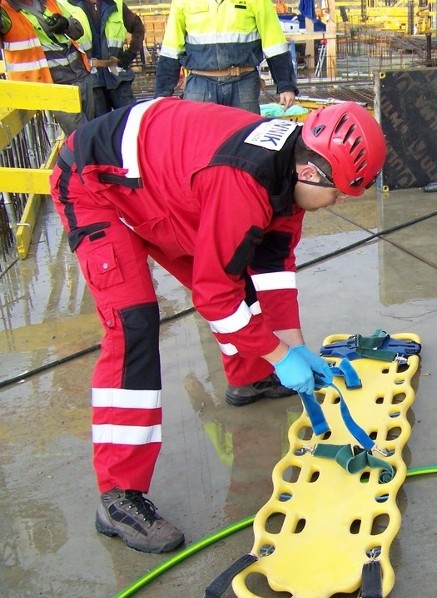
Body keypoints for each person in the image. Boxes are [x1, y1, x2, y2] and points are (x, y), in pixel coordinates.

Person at [49, 98, 387, 553]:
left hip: (160, 186)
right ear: (311, 172)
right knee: (134, 327)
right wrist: (281, 355)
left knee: (237, 273)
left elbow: (273, 269)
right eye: (339, 193)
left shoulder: (289, 167)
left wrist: (294, 348)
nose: (338, 202)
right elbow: (213, 296)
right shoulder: (242, 182)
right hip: (97, 186)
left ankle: (248, 378)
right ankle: (118, 496)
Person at [153, 0, 297, 114]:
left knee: (244, 141)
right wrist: (162, 95)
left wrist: (286, 85)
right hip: (200, 84)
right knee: (200, 143)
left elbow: (274, 43)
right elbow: (171, 49)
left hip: (243, 83)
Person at [0, 0, 94, 134]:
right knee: (84, 137)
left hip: (82, 76)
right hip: (55, 87)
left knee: (90, 132)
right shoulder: (4, 11)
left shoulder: (49, 2)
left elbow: (78, 30)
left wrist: (66, 24)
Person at [65, 0, 144, 117]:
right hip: (90, 79)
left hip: (117, 76)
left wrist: (130, 53)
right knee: (99, 128)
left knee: (131, 121)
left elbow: (137, 27)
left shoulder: (116, 4)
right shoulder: (66, 5)